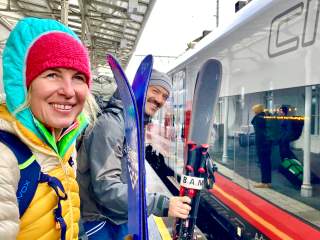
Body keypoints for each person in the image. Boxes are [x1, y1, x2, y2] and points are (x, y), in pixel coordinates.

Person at [0, 17, 98, 239]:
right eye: (52, 74)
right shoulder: (4, 158)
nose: (69, 91)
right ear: (26, 84)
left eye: (78, 77)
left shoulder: (63, 144)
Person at [77, 69, 191, 239]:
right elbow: (107, 189)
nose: (159, 100)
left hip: (120, 216)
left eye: (165, 96)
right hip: (101, 222)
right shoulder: (111, 124)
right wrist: (162, 204)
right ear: (139, 89)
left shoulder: (133, 124)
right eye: (155, 91)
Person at [251, 104, 272, 188]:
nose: (253, 112)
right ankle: (268, 182)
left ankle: (264, 182)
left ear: (257, 111)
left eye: (254, 111)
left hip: (261, 143)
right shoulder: (266, 116)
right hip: (268, 143)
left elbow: (252, 122)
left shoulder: (258, 118)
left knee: (263, 163)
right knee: (267, 163)